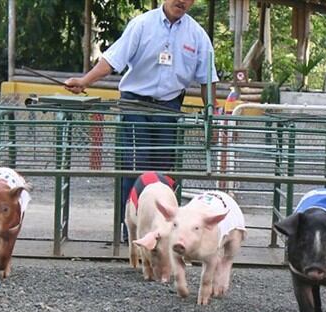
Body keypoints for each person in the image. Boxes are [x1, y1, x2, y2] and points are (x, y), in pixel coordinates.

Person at [64, 0, 217, 241]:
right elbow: (113, 60)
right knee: (134, 169)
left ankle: (162, 232)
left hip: (169, 108)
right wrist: (85, 81)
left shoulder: (198, 36)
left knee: (164, 175)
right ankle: (131, 232)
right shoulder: (142, 25)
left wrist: (211, 115)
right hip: (135, 104)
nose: (182, 1)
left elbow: (208, 80)